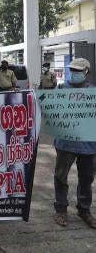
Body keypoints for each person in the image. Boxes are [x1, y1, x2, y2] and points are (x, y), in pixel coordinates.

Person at [53, 58, 96, 229]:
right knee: (60, 176)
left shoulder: (93, 92)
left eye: (79, 70)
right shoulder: (61, 89)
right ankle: (61, 209)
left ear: (87, 72)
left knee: (86, 178)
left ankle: (84, 210)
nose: (75, 73)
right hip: (65, 143)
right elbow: (51, 112)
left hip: (89, 145)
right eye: (73, 70)